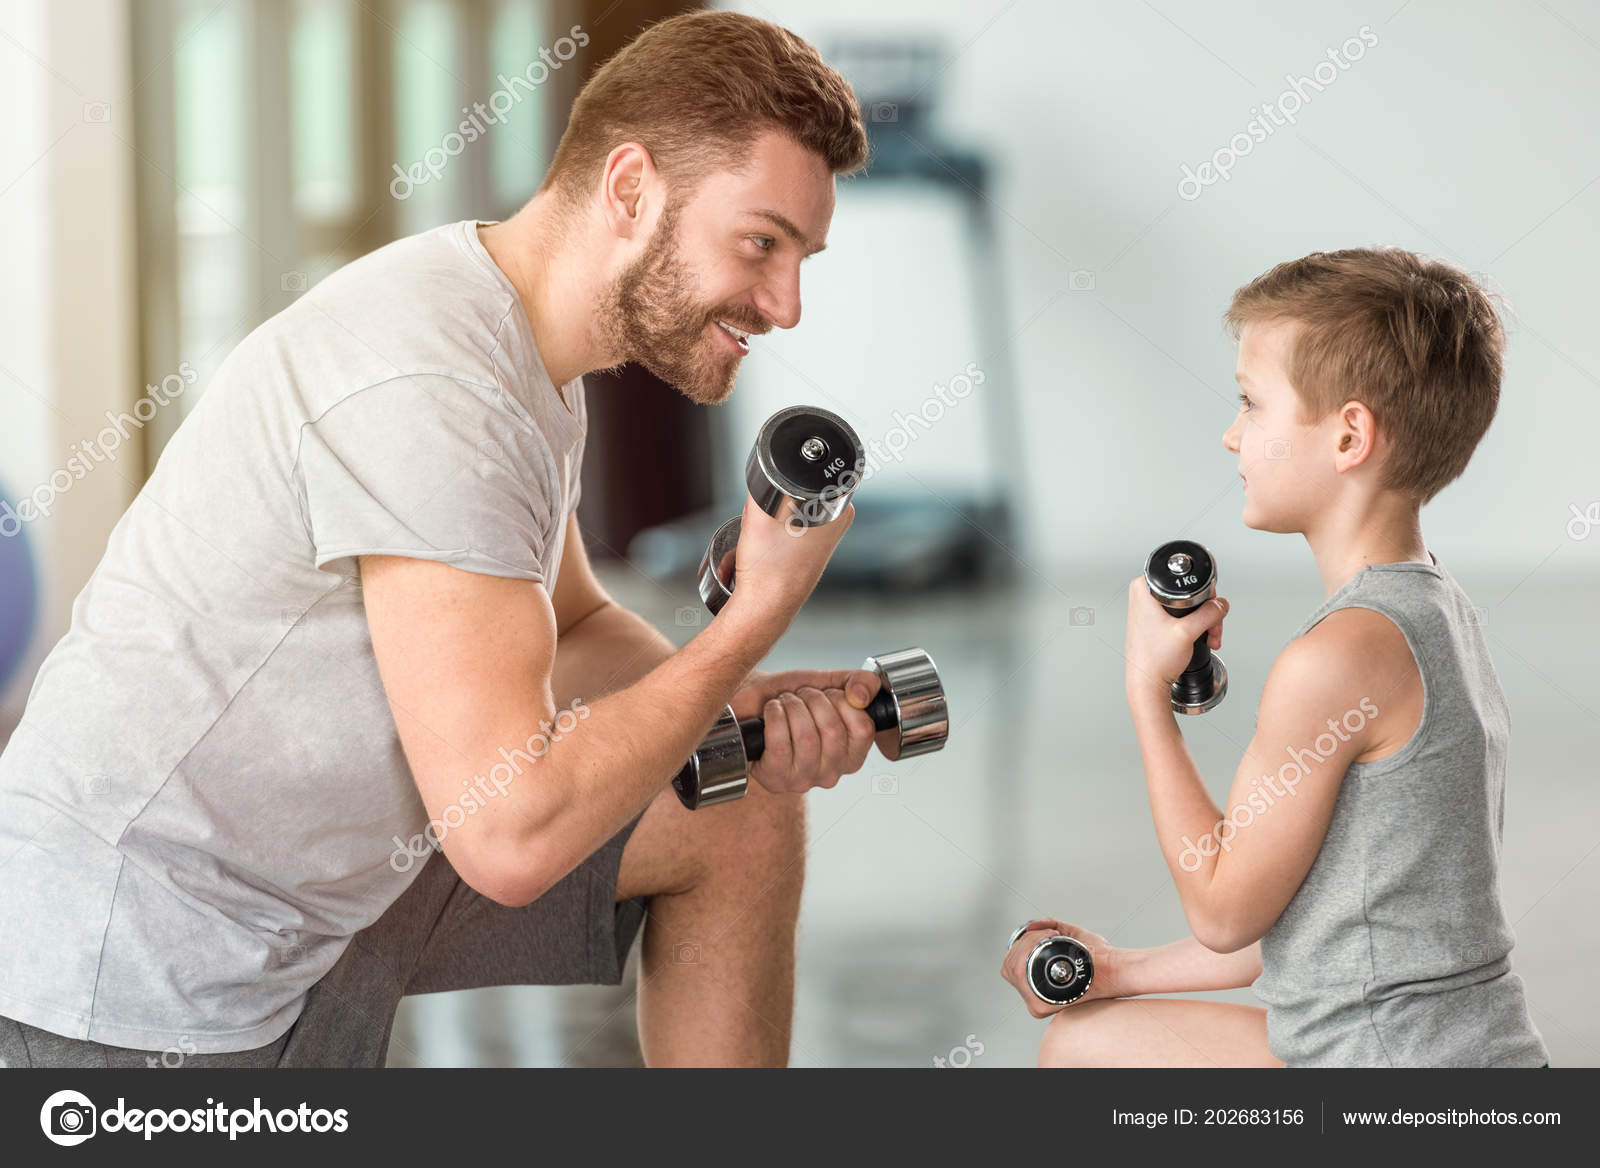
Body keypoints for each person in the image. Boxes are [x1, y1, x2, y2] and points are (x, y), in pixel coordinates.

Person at [0, 10, 876, 1069]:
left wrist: (719, 702)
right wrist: (749, 625)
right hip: (139, 974)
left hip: (317, 887)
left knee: (736, 809)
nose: (787, 304)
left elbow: (576, 627)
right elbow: (509, 836)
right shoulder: (435, 386)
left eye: (801, 257)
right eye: (761, 244)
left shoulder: (517, 343)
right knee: (546, 813)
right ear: (631, 188)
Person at [1003, 248, 1550, 1068]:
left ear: (1350, 435)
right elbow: (1323, 910)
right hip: (1468, 1060)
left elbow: (1224, 911)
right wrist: (1120, 971)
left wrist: (1147, 692)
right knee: (1093, 1035)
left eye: (1252, 404)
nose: (1232, 434)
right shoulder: (1437, 612)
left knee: (1082, 1058)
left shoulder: (1336, 659)